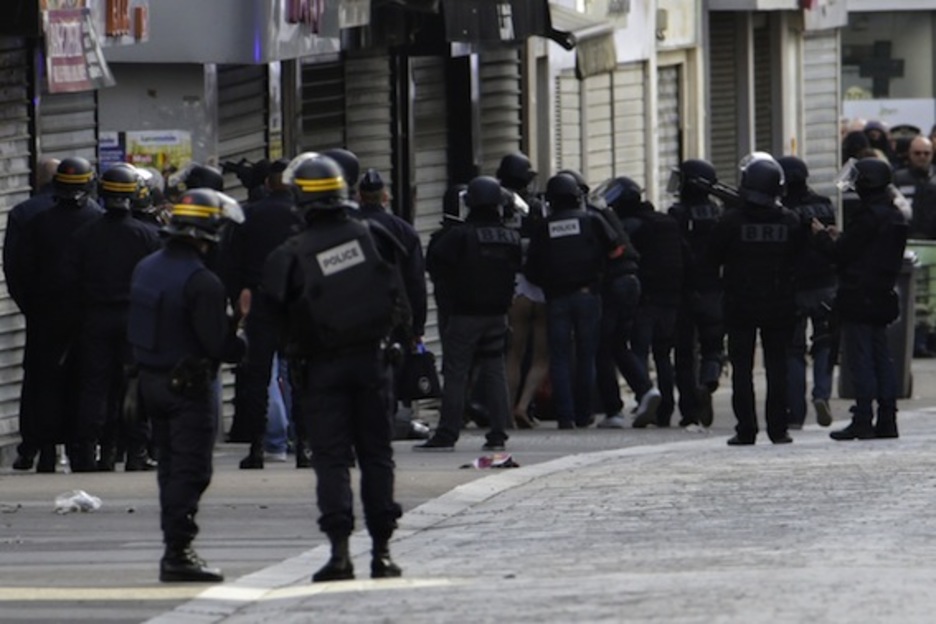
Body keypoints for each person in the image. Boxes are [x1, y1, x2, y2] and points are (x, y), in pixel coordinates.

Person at [261, 153, 407, 582]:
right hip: (372, 363)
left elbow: (269, 323)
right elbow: (403, 296)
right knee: (377, 456)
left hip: (321, 370)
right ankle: (382, 552)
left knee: (332, 460)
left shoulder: (290, 254)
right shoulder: (375, 235)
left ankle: (340, 552)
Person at [128, 188, 247, 582]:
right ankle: (178, 552)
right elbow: (219, 346)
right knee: (191, 470)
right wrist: (239, 328)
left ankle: (173, 546)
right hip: (188, 387)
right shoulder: (203, 281)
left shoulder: (146, 268)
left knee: (169, 468)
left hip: (150, 384)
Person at [65, 164, 163, 471]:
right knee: (134, 384)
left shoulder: (84, 235)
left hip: (95, 318)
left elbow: (71, 280)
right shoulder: (148, 235)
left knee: (94, 386)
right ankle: (136, 452)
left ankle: (90, 451)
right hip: (134, 320)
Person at [415, 175, 521, 449]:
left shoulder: (458, 236)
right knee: (494, 371)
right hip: (498, 315)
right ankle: (498, 432)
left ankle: (448, 432)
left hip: (464, 316)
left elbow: (435, 264)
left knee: (456, 373)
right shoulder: (510, 237)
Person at [709, 152, 804, 446]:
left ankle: (746, 429)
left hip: (741, 303)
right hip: (779, 303)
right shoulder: (790, 220)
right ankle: (778, 429)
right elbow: (801, 260)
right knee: (778, 368)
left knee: (742, 369)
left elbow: (712, 258)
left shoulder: (730, 221)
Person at [16, 157, 104, 472]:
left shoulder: (36, 223)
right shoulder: (99, 222)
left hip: (46, 318)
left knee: (45, 384)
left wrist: (34, 308)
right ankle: (83, 450)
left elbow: (18, 272)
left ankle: (47, 451)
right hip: (88, 319)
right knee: (86, 384)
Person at [813, 157, 908, 440]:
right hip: (882, 294)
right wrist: (842, 237)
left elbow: (842, 253)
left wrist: (821, 237)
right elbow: (868, 247)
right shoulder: (894, 215)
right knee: (882, 358)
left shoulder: (868, 216)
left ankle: (864, 417)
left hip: (858, 294)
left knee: (861, 359)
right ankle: (888, 418)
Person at [220, 158, 306, 470]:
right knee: (301, 376)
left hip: (258, 300)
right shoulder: (305, 216)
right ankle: (305, 447)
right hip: (298, 303)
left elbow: (229, 261)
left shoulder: (249, 215)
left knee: (257, 377)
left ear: (267, 184)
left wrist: (237, 300)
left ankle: (257, 448)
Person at [525, 172, 618, 429]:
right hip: (587, 296)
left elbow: (531, 266)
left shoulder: (544, 228)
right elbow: (617, 249)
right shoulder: (591, 220)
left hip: (557, 299)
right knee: (586, 357)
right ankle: (583, 413)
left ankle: (565, 417)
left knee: (560, 358)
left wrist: (548, 285)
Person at [356, 168, 430, 441]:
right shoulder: (404, 232)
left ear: (358, 196)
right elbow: (415, 283)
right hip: (394, 316)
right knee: (391, 372)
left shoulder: (347, 228)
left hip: (353, 313)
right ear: (385, 197)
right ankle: (386, 422)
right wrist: (417, 327)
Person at [608, 178, 682, 428]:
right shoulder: (666, 222)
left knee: (639, 350)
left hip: (646, 298)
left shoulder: (632, 225)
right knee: (663, 355)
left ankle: (645, 398)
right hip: (671, 298)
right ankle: (665, 410)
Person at [5, 156, 60, 471]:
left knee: (37, 380)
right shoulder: (92, 213)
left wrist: (29, 306)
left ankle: (32, 446)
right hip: (78, 315)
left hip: (40, 312)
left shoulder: (23, 213)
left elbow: (13, 267)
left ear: (37, 180)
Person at [776, 156, 836, 430]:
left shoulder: (783, 210)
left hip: (794, 287)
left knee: (794, 350)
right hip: (826, 283)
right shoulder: (824, 204)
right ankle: (821, 393)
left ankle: (795, 413)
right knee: (825, 343)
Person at [667, 159, 725, 429]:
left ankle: (690, 410)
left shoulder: (676, 214)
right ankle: (709, 379)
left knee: (684, 354)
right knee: (713, 345)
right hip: (714, 287)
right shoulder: (719, 214)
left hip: (683, 291)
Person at [498, 152, 550, 429]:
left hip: (513, 284)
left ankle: (506, 408)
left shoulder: (496, 204)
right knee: (541, 354)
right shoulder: (538, 207)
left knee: (513, 353)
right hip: (539, 284)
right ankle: (523, 404)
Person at [893, 135, 936, 239]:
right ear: (909, 154)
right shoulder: (898, 178)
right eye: (917, 153)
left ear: (932, 154)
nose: (922, 157)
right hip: (905, 236)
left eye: (926, 153)